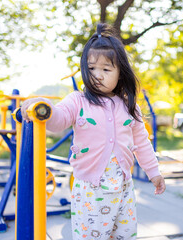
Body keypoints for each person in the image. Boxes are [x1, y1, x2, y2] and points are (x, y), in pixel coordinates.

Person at [21, 23, 165, 240]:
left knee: (125, 234)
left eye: (106, 70)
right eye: (91, 68)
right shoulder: (78, 101)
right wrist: (44, 107)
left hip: (123, 186)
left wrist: (154, 172)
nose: (98, 75)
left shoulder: (128, 105)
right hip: (91, 188)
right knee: (92, 236)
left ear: (120, 73)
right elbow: (58, 120)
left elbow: (142, 142)